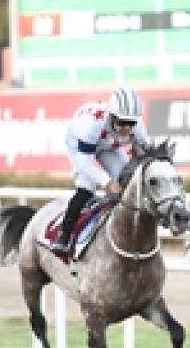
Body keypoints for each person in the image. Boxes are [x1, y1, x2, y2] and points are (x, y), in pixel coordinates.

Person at [50, 86, 150, 254]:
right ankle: (64, 235)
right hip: (80, 148)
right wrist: (106, 181)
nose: (127, 127)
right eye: (122, 122)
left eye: (131, 123)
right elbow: (85, 160)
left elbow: (145, 157)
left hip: (109, 146)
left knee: (125, 182)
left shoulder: (138, 127)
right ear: (111, 116)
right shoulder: (93, 124)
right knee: (86, 188)